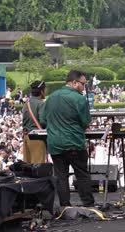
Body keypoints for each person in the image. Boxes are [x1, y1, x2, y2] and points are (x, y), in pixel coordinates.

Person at [43, 70, 94, 207]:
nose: (84, 88)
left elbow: (44, 119)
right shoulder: (78, 99)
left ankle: (65, 207)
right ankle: (88, 205)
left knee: (61, 177)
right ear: (74, 82)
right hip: (74, 143)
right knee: (82, 174)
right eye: (83, 84)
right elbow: (86, 122)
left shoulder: (51, 97)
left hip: (54, 144)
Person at [22, 80, 47, 163]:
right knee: (38, 167)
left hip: (26, 137)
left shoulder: (26, 103)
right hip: (37, 138)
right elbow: (43, 122)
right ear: (42, 91)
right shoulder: (41, 104)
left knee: (28, 167)